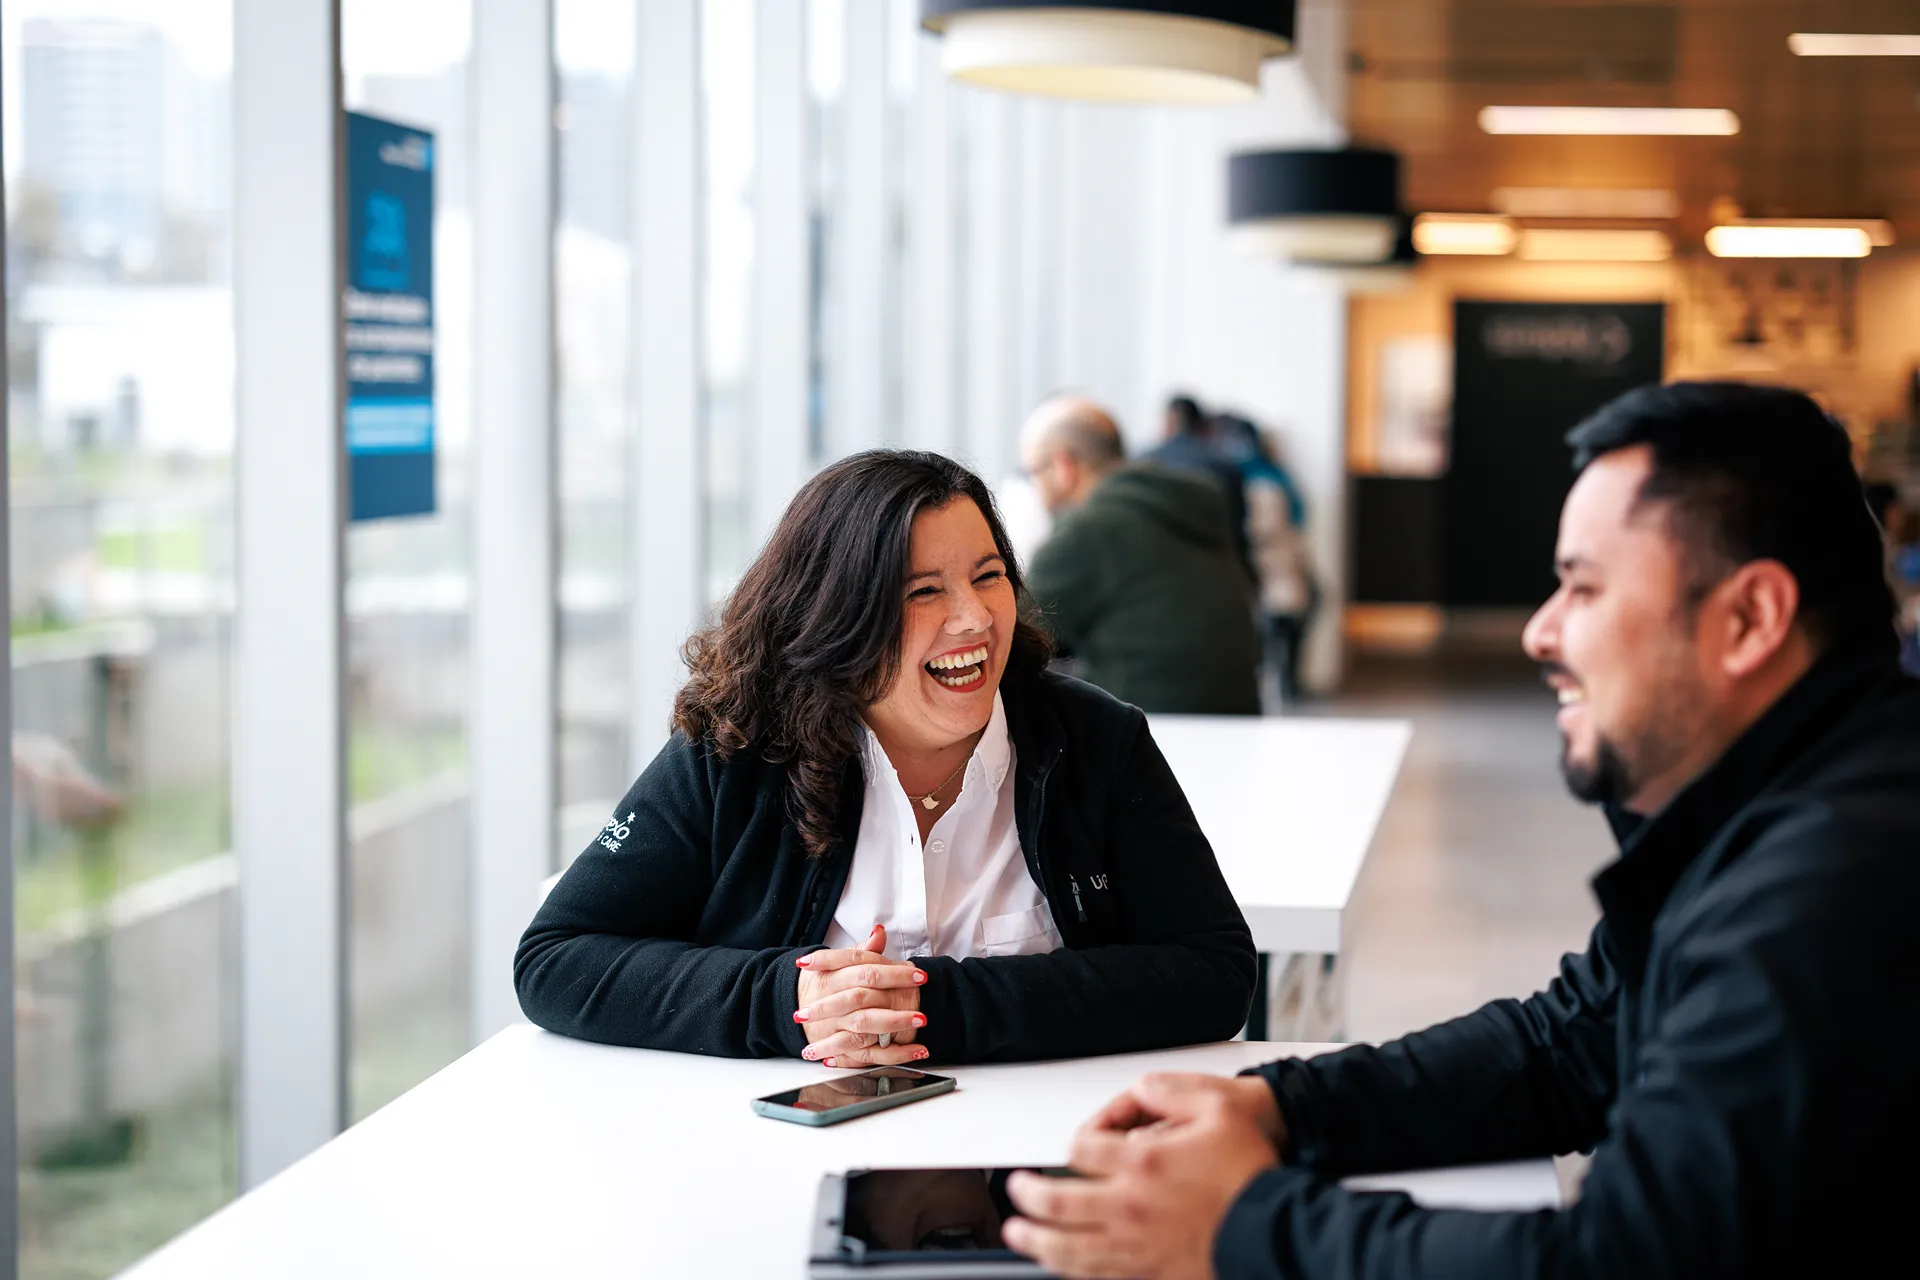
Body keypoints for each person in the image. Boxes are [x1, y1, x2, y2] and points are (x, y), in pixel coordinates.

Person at [1001, 381, 1920, 1278]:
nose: (1541, 633)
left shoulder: (1831, 892)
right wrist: (1280, 1109)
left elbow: (1625, 1258)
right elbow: (1570, 1045)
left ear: (1750, 618)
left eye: (1584, 590)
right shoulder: (1769, 809)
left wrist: (1238, 1227)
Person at [516, 450, 1256, 1069]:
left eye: (989, 575)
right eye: (923, 591)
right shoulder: (739, 748)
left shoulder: (1094, 742)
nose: (973, 617)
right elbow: (556, 959)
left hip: (1041, 1160)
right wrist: (790, 1000)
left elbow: (1216, 974)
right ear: (836, 618)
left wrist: (937, 1007)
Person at [1020, 395, 1262, 716]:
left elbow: (1015, 630)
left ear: (1063, 466)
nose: (1034, 487)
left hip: (1147, 729)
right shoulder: (1183, 503)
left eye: (1034, 471)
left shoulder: (1091, 527)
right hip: (1238, 716)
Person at [1213, 413, 1318, 705]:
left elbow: (1296, 515)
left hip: (1268, 558)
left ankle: (1283, 682)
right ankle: (1283, 682)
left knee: (1284, 617)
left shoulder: (1254, 473)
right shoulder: (1256, 473)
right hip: (1262, 559)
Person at [1146, 394, 1254, 579]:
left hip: (1156, 570)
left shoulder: (1144, 462)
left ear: (1168, 421)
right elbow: (1237, 531)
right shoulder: (1223, 466)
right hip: (1213, 573)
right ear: (1202, 425)